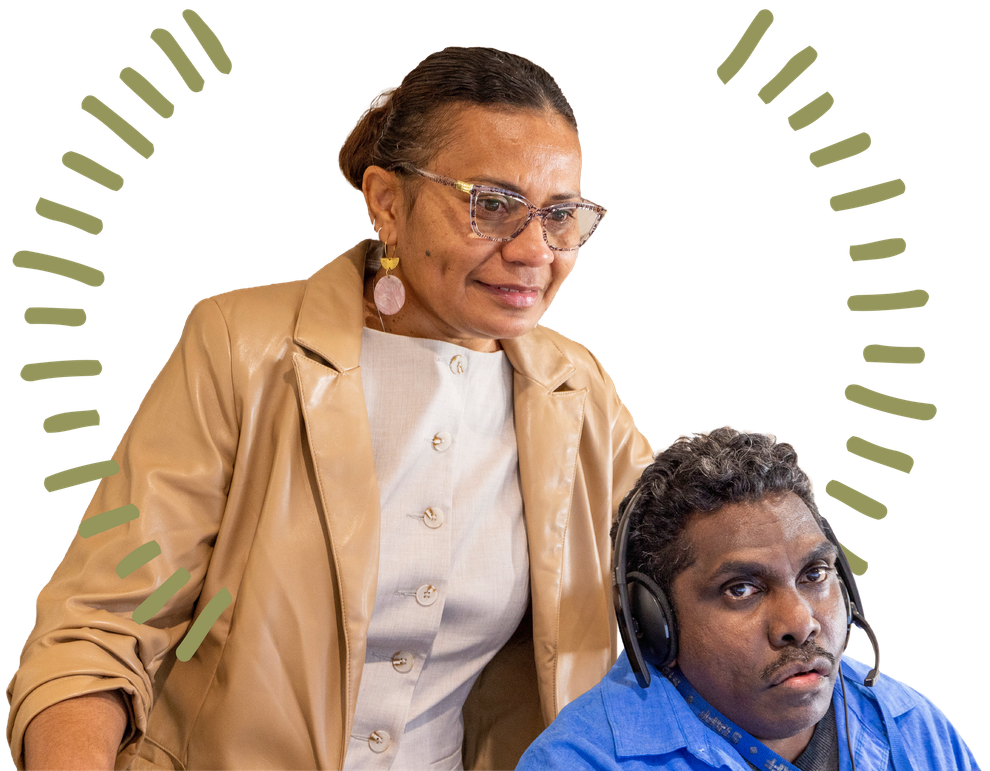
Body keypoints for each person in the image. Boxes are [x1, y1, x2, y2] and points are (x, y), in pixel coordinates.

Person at [5, 46, 653, 770]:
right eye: (492, 205)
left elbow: (698, 570)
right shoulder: (239, 346)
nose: (536, 250)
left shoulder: (576, 387)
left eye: (561, 215)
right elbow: (98, 628)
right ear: (386, 202)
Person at [516, 426, 978, 770]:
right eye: (742, 590)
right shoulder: (579, 762)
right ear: (654, 624)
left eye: (815, 573)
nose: (800, 622)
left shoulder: (915, 728)